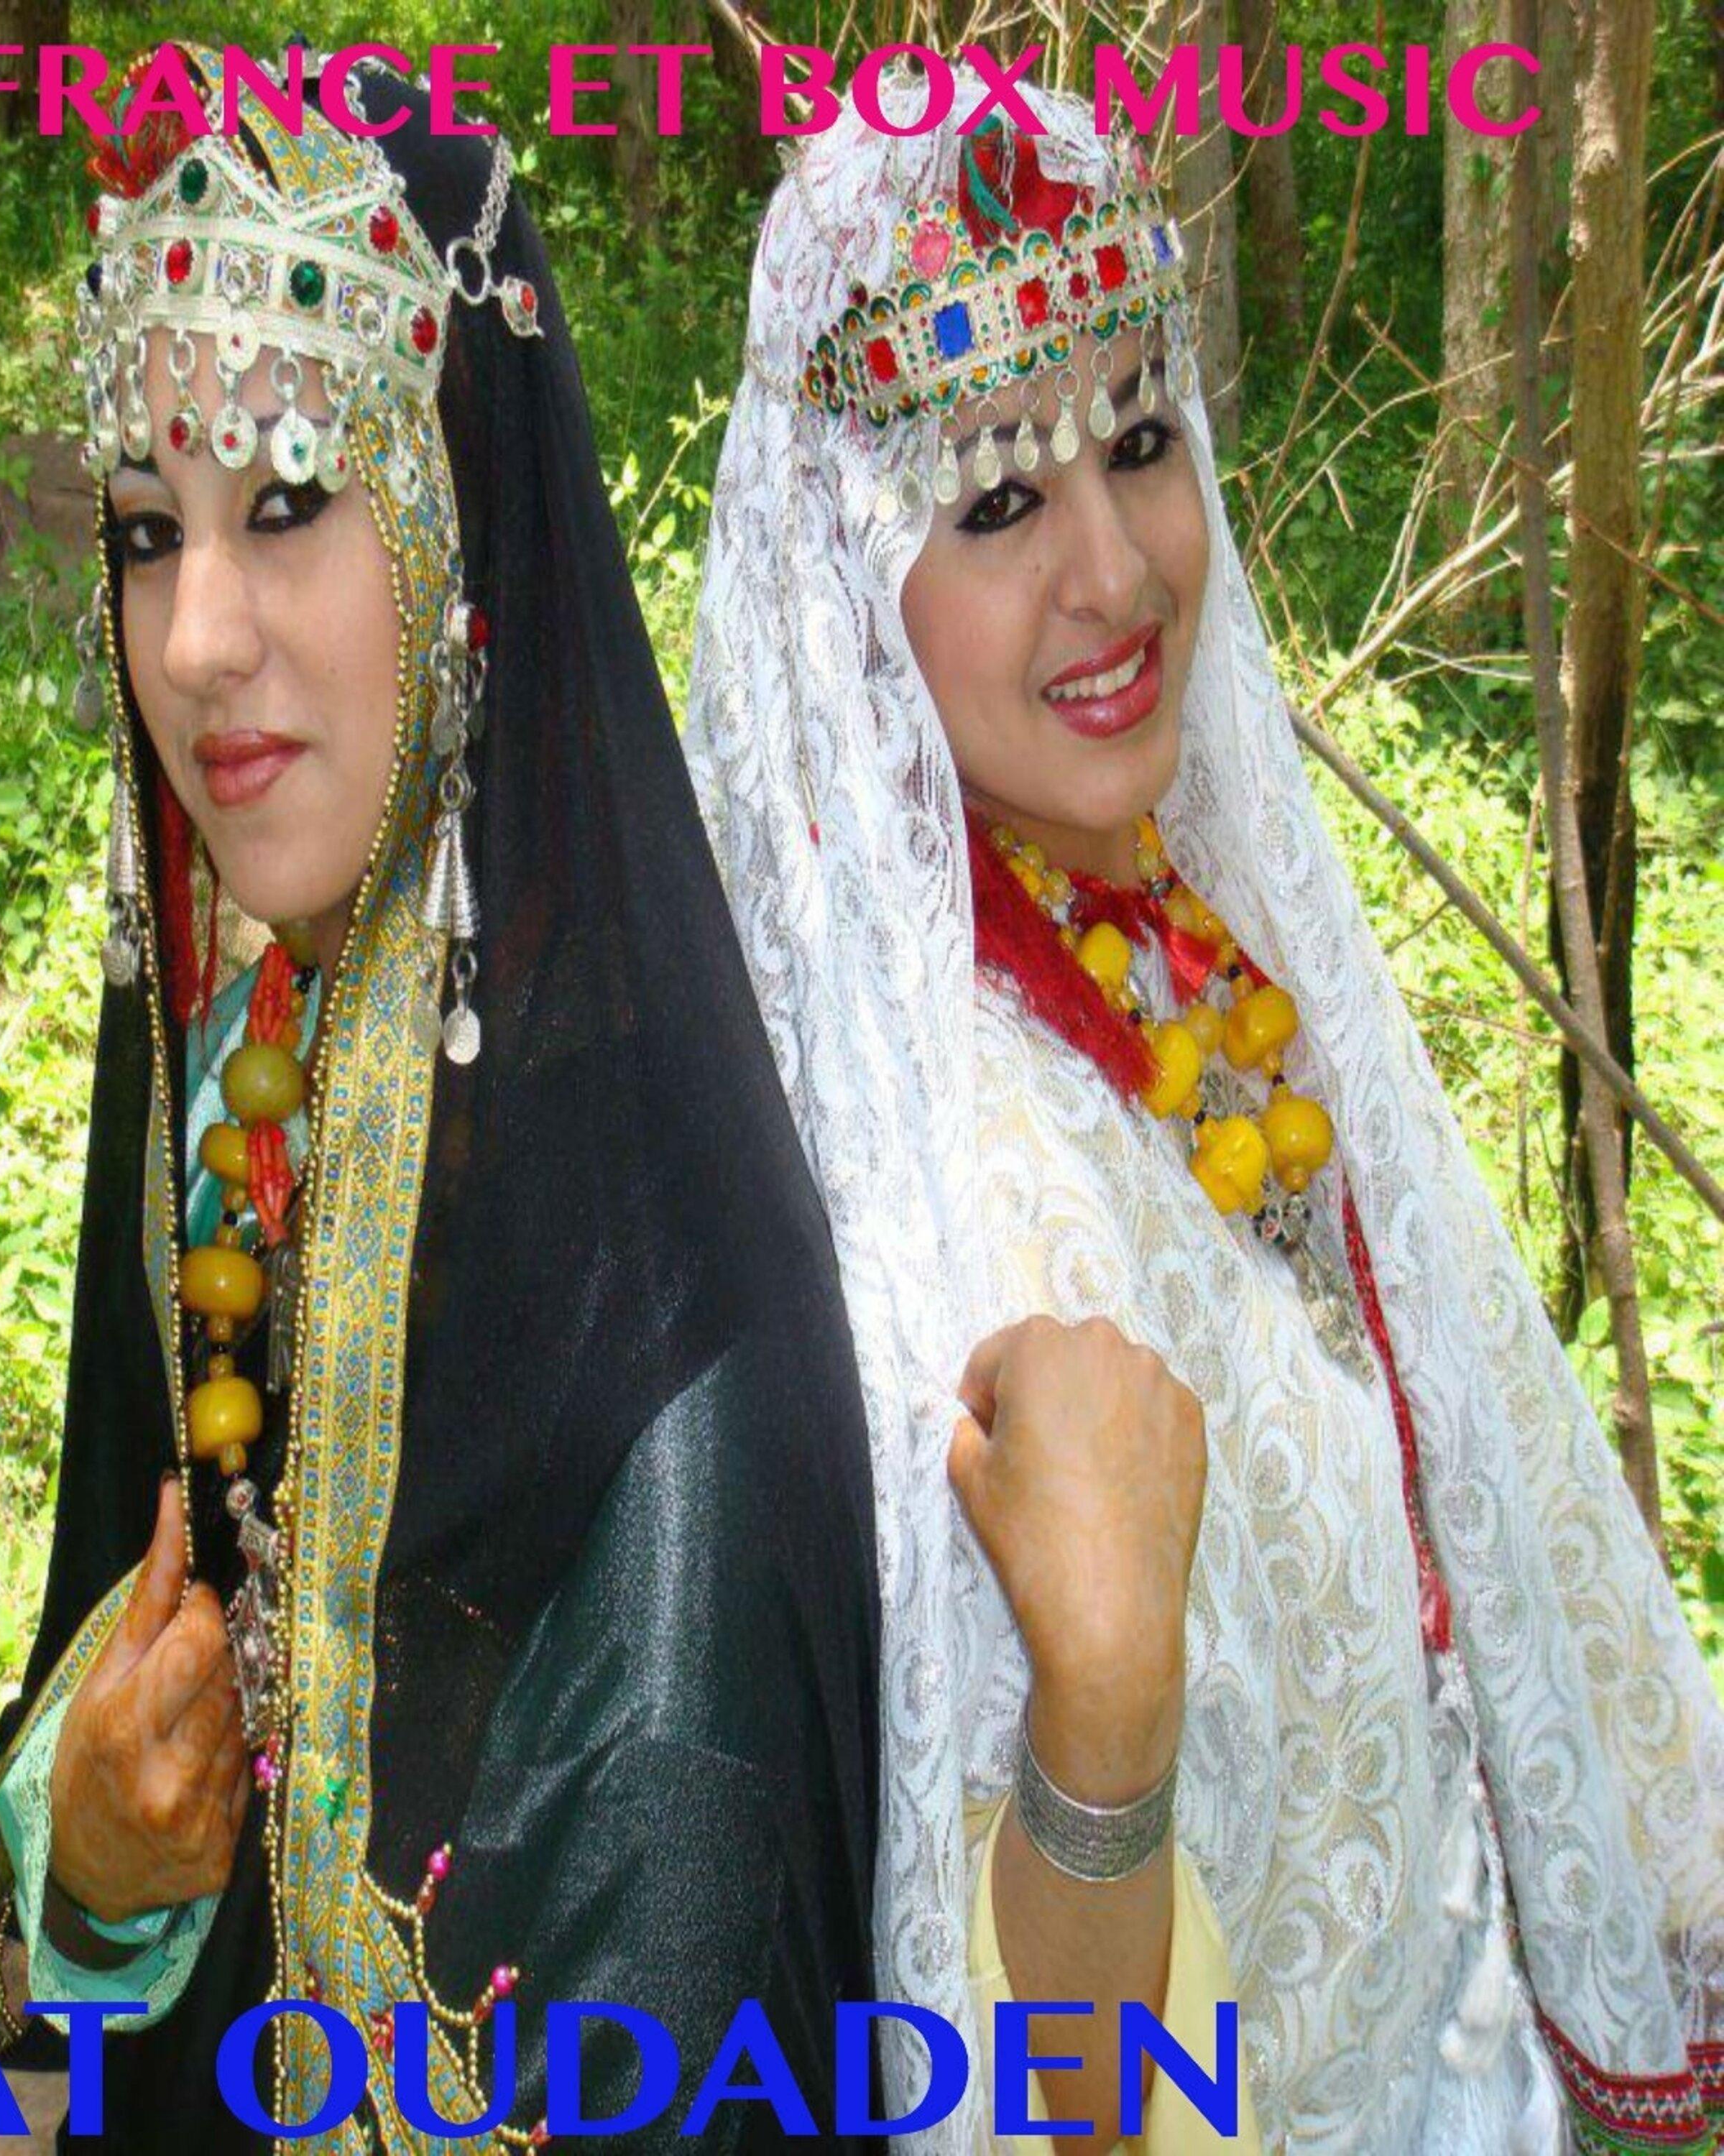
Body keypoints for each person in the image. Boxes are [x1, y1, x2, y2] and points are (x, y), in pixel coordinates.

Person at [687, 70, 1724, 2155]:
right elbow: (1019, 2072)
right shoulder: (929, 1198)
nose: (1117, 572)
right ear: (844, 590)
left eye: (1141, 441)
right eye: (993, 500)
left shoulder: (1175, 926)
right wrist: (1101, 1709)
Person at [0, 42, 884, 2150]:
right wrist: (91, 1872)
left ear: (465, 530)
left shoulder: (667, 1323)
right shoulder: (235, 1109)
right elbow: (47, 1937)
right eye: (146, 530)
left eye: (287, 499)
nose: (194, 639)